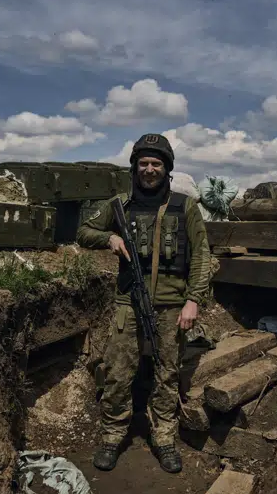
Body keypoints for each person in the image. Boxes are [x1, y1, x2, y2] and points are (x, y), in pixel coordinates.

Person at [76, 133, 212, 473]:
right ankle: (112, 436)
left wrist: (193, 300)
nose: (150, 169)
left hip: (171, 306)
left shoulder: (186, 207)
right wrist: (108, 236)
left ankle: (163, 437)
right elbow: (83, 231)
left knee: (167, 374)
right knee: (119, 373)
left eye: (157, 164)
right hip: (128, 303)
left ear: (167, 169)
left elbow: (201, 257)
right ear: (135, 168)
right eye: (144, 163)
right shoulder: (120, 204)